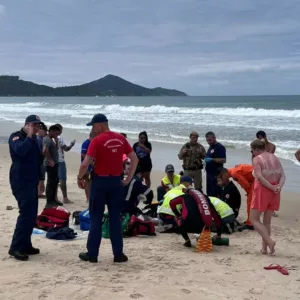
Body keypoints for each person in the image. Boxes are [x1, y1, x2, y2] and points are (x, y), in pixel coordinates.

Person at [77, 113, 138, 263]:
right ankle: (118, 254)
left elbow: (85, 163)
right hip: (116, 182)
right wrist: (128, 178)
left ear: (100, 125)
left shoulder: (97, 141)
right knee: (115, 218)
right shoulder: (120, 138)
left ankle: (92, 254)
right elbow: (134, 158)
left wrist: (80, 177)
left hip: (100, 182)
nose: (93, 129)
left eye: (93, 126)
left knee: (96, 217)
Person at [8, 115, 43, 261]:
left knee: (32, 214)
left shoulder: (35, 140)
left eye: (38, 126)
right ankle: (15, 247)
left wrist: (41, 180)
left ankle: (26, 244)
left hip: (32, 180)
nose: (36, 128)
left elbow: (38, 160)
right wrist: (29, 137)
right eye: (33, 125)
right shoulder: (16, 137)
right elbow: (20, 151)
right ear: (26, 125)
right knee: (25, 213)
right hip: (20, 180)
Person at [250, 139, 285, 255]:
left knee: (254, 219)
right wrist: (278, 187)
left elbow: (259, 177)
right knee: (267, 222)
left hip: (263, 190)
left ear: (256, 149)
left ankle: (269, 241)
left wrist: (271, 187)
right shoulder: (274, 157)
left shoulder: (257, 159)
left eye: (252, 151)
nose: (253, 153)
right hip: (275, 191)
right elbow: (283, 175)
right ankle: (265, 248)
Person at [227, 164, 255, 230]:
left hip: (256, 178)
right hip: (256, 176)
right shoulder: (234, 170)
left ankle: (250, 223)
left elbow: (246, 185)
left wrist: (248, 192)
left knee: (250, 202)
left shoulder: (234, 173)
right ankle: (251, 220)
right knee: (251, 201)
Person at [55, 124, 76, 204]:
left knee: (54, 180)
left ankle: (55, 197)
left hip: (53, 162)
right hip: (60, 161)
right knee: (62, 179)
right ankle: (65, 198)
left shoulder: (49, 138)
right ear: (59, 130)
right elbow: (66, 149)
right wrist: (72, 144)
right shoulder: (59, 138)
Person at [43, 125, 61, 207]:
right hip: (50, 164)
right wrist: (50, 160)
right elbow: (45, 150)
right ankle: (49, 201)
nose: (57, 135)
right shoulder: (47, 139)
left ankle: (53, 200)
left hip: (55, 163)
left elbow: (55, 150)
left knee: (55, 182)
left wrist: (56, 141)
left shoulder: (52, 140)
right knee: (50, 182)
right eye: (56, 133)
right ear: (52, 131)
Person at [205, 132, 226, 197]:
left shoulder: (220, 147)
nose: (209, 142)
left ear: (214, 138)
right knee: (209, 192)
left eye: (210, 140)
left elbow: (223, 160)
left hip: (216, 174)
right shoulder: (210, 147)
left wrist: (212, 159)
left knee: (216, 193)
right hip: (209, 173)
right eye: (207, 140)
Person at [81, 131, 97, 202]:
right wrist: (90, 162)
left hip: (92, 166)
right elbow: (83, 154)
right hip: (87, 166)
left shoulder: (93, 143)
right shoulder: (86, 143)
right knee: (87, 182)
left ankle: (90, 197)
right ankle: (88, 198)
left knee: (91, 182)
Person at [37, 122, 47, 198]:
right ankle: (39, 192)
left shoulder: (40, 139)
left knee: (41, 176)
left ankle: (39, 192)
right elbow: (41, 152)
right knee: (41, 176)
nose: (45, 133)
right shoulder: (39, 139)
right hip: (39, 161)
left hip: (40, 161)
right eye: (44, 131)